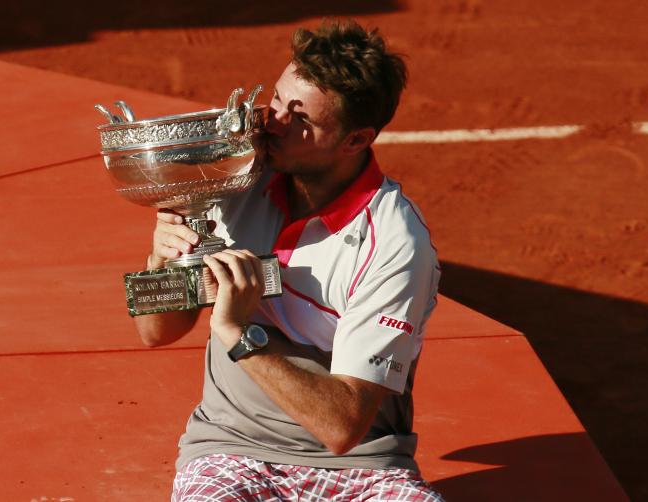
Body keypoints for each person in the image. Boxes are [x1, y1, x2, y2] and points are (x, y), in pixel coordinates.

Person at [136, 19, 444, 502]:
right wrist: (162, 259)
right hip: (229, 449)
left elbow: (343, 428)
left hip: (362, 467)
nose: (272, 123)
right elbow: (156, 333)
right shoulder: (233, 177)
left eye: (301, 119)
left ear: (356, 140)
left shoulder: (395, 243)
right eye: (277, 100)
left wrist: (240, 334)